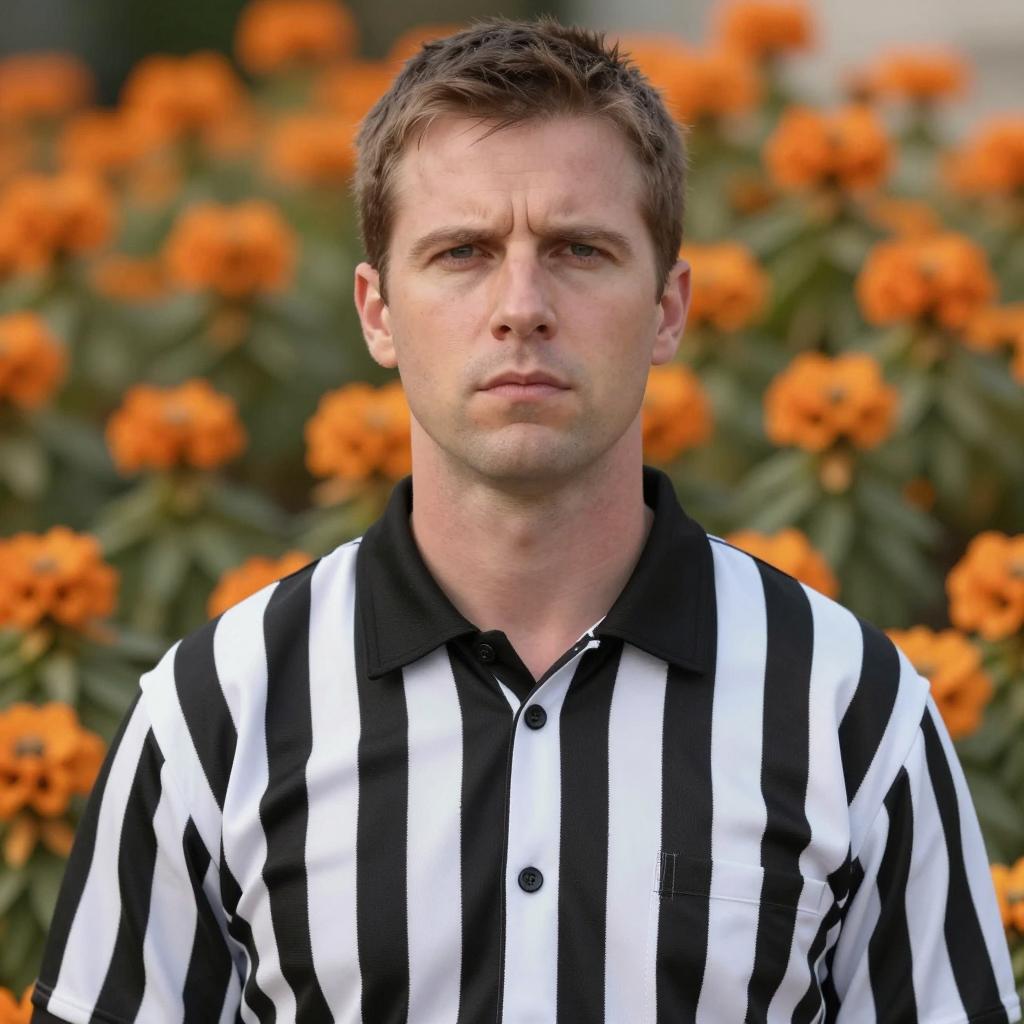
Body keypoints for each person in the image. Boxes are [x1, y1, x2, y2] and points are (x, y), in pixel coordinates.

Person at [30, 16, 1021, 1024]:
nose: (520, 305)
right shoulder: (219, 713)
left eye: (579, 249)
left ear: (670, 307)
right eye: (461, 252)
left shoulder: (845, 707)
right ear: (377, 311)